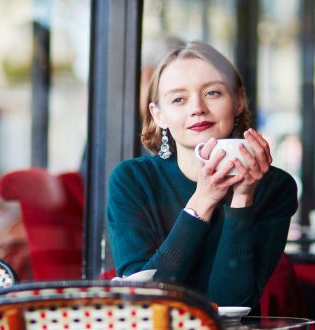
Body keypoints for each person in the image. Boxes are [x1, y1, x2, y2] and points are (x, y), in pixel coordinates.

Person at [107, 41, 298, 312]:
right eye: (178, 99)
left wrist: (243, 198)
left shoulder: (276, 186)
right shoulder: (131, 180)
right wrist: (204, 199)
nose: (197, 108)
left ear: (239, 100)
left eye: (212, 93)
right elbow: (144, 302)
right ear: (158, 114)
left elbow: (233, 304)